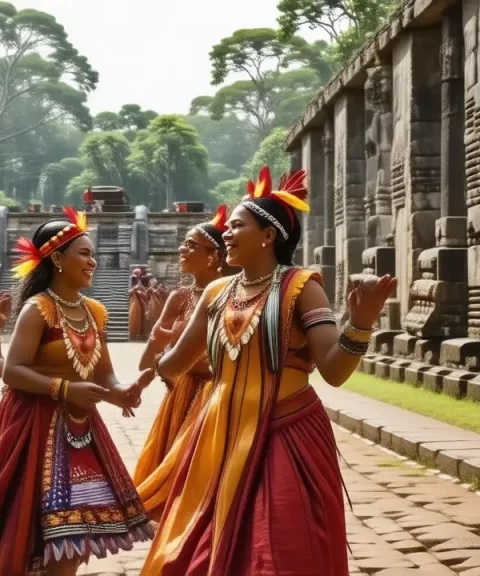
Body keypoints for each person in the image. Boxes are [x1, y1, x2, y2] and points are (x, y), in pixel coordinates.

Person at [141, 167, 396, 575]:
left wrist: (361, 323)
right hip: (219, 433)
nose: (225, 233)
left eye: (236, 225)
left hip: (286, 432)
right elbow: (175, 364)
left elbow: (333, 371)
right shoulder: (216, 293)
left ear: (268, 235)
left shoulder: (300, 287)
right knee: (199, 543)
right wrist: (158, 355)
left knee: (281, 546)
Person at [0, 208, 155, 576]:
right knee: (29, 525)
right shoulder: (38, 309)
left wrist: (122, 392)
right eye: (84, 254)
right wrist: (63, 388)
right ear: (57, 259)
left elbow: (104, 373)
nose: (93, 261)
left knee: (77, 528)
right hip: (32, 426)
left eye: (93, 254)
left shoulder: (96, 312)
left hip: (81, 430)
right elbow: (11, 371)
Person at [133, 204, 233, 520]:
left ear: (214, 255)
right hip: (183, 395)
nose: (181, 249)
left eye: (191, 245)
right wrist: (159, 342)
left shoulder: (235, 294)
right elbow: (146, 363)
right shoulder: (179, 299)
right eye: (184, 243)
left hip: (220, 393)